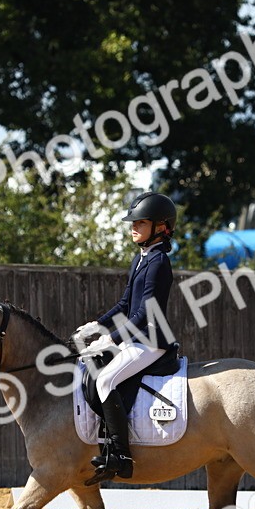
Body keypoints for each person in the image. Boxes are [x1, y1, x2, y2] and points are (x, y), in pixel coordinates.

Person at [73, 191, 177, 485]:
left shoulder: (158, 262)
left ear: (161, 227)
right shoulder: (140, 258)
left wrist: (112, 339)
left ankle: (120, 454)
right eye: (134, 222)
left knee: (106, 379)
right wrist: (98, 325)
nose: (133, 227)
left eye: (141, 223)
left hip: (152, 341)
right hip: (137, 336)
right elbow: (124, 304)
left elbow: (144, 313)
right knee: (92, 369)